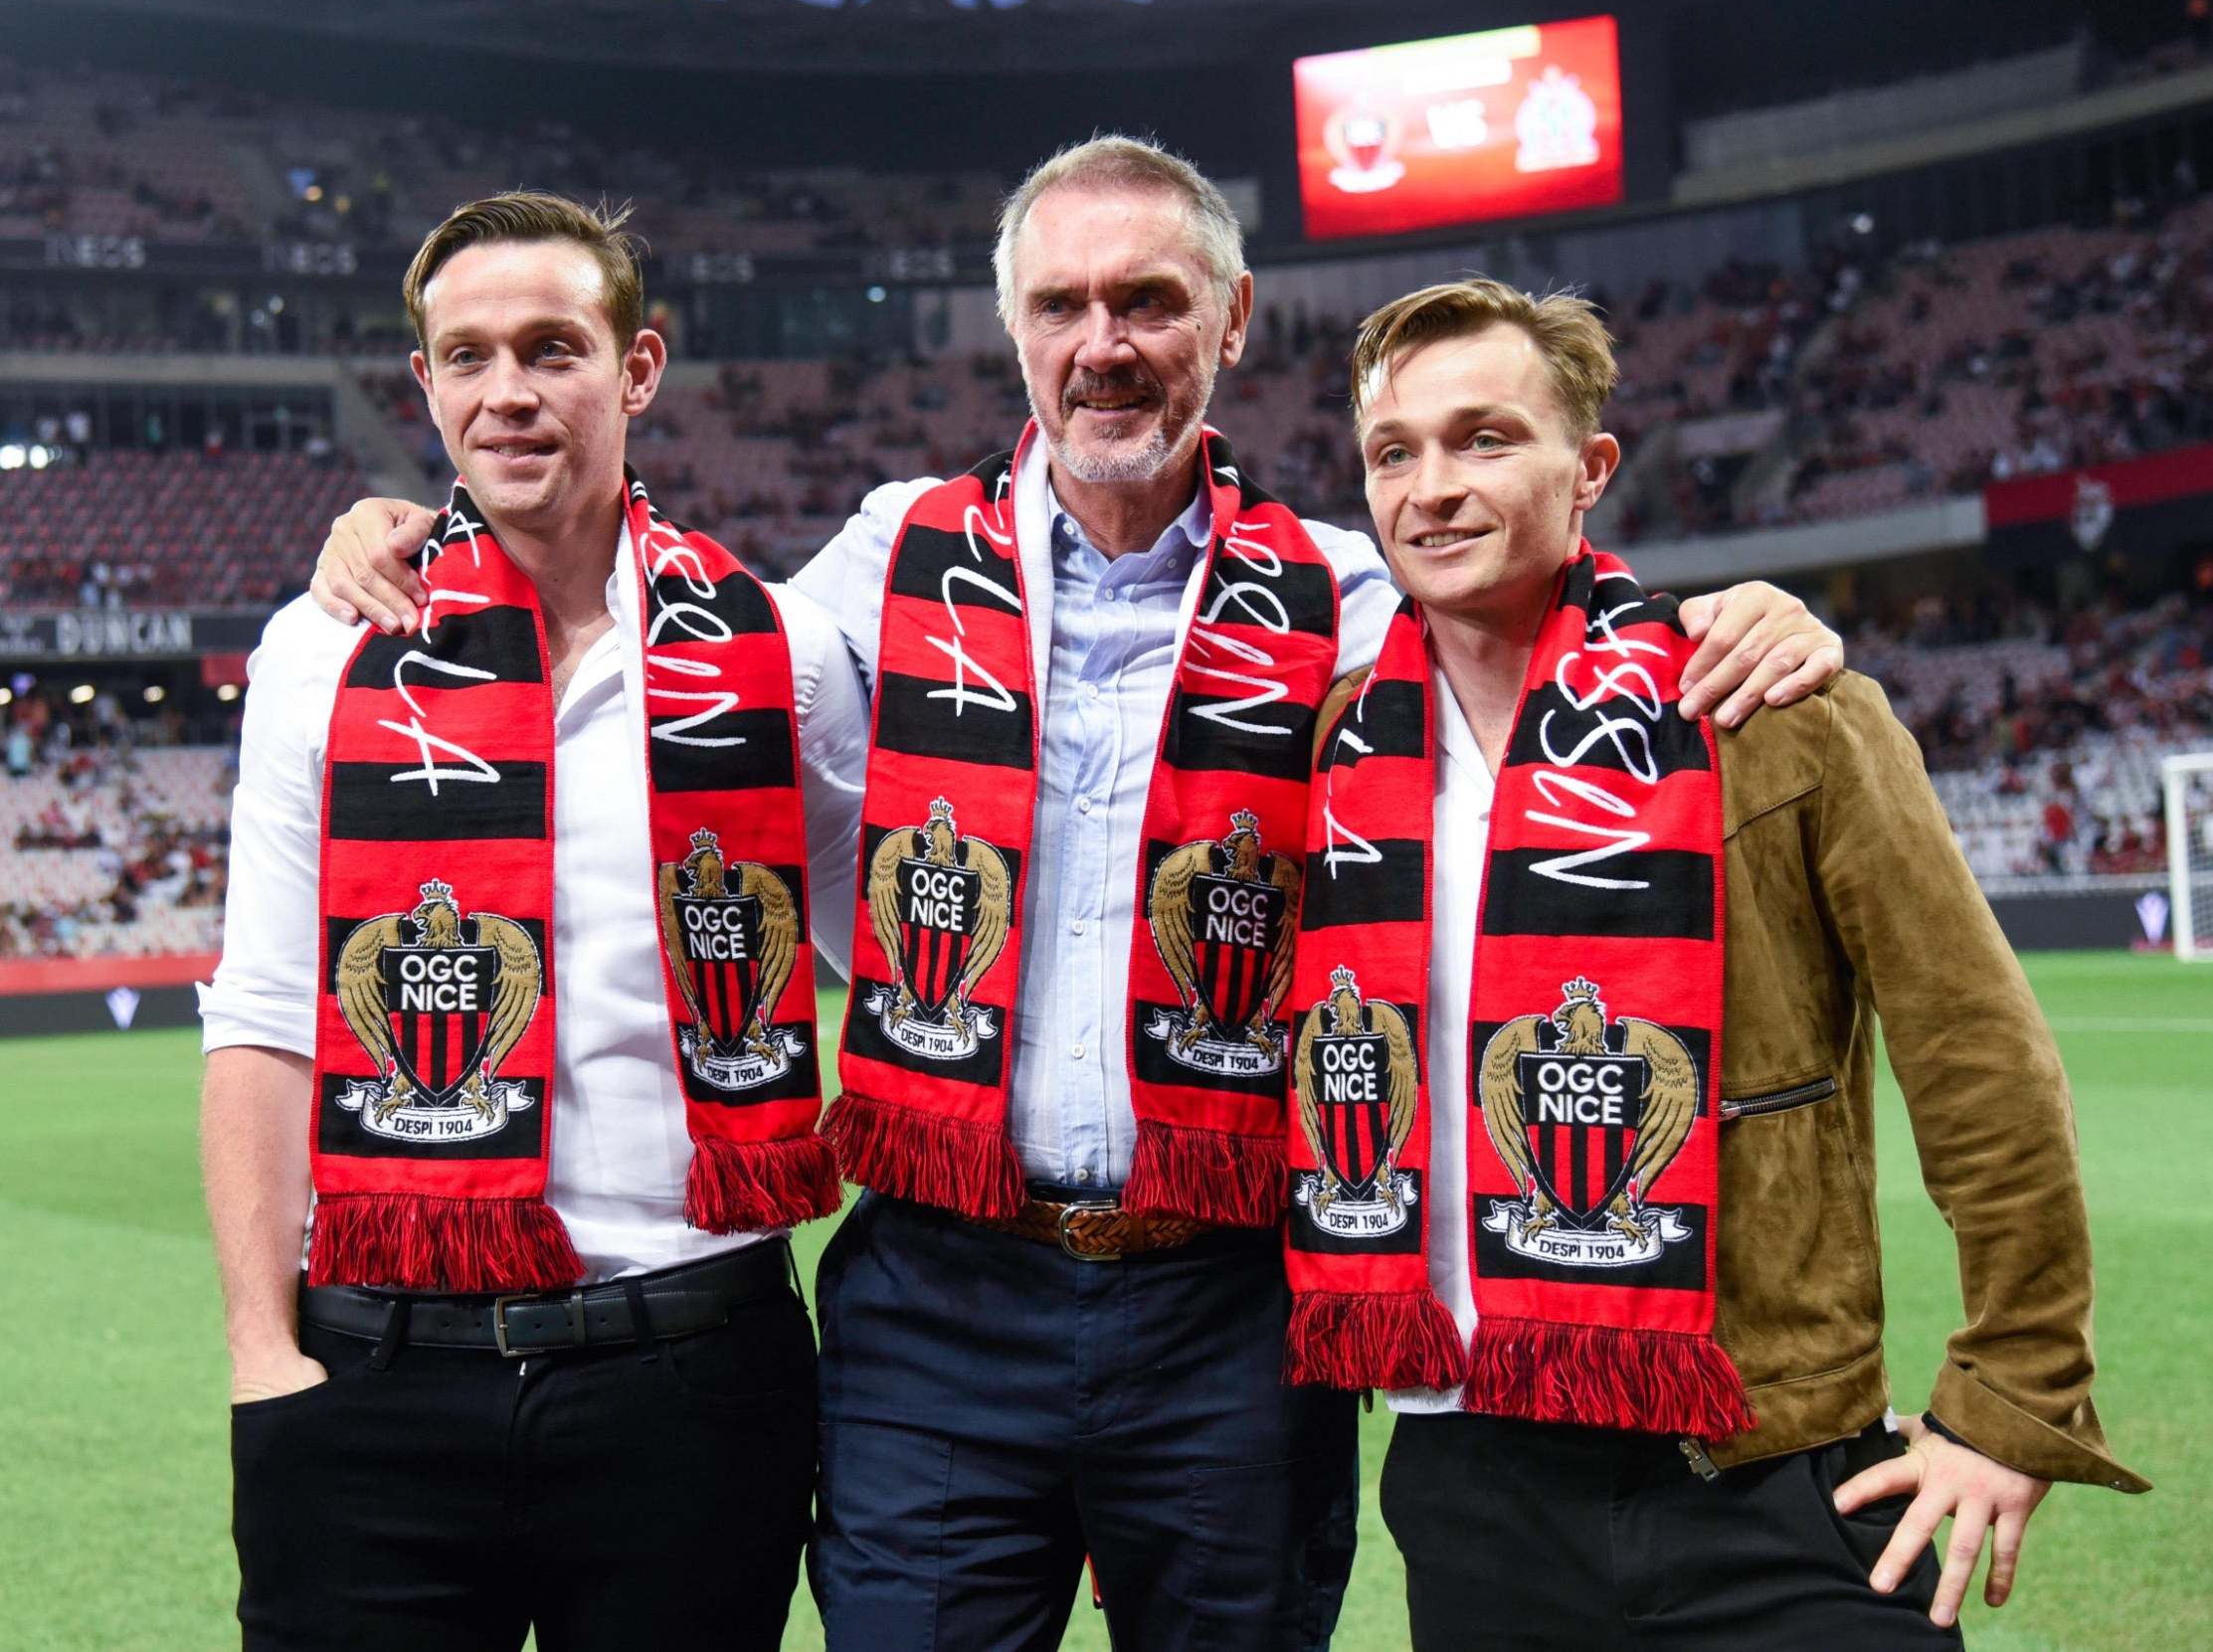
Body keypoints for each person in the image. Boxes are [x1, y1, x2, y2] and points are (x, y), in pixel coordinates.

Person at [307, 138, 1845, 1652]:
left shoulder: (1354, 599)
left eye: (1149, 303)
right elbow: (642, 621)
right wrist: (419, 529)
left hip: (1226, 1305)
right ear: (1014, 332)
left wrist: (1717, 609)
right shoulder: (882, 560)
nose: (1101, 346)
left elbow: (1540, 626)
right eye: (1060, 306)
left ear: (1231, 324)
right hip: (938, 1296)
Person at [1281, 275, 2147, 1650]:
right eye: (1395, 452)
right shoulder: (1329, 754)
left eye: (1485, 438)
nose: (1430, 487)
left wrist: (2015, 1399)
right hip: (1473, 1481)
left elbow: (1977, 1058)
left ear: (1591, 468)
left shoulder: (1771, 710)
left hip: (1767, 1466)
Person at [199, 192, 869, 1651]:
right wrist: (263, 1355)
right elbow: (260, 1015)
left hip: (693, 1370)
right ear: (425, 384)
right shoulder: (323, 652)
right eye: (468, 354)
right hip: (375, 1372)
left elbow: (890, 955)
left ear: (636, 368)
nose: (508, 390)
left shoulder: (781, 651)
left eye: (552, 348)